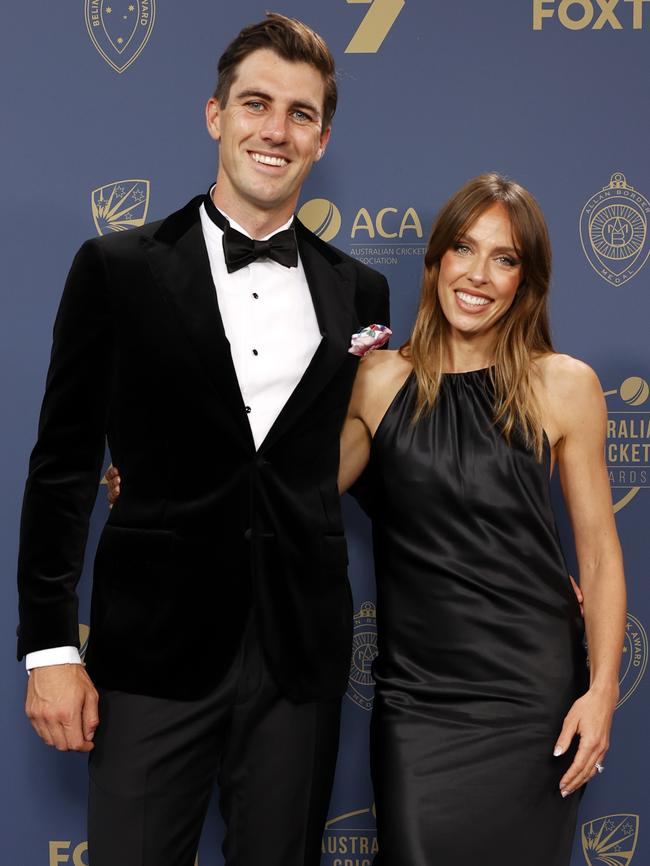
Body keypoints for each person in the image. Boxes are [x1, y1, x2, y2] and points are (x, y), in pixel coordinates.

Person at [16, 13, 389, 866]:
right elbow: (64, 469)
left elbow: (365, 459)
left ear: (322, 138)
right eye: (255, 104)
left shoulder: (358, 289)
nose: (275, 129)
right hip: (151, 654)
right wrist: (48, 648)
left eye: (300, 113)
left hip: (299, 661)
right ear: (215, 115)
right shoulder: (116, 267)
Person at [338, 173, 626, 865]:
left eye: (505, 259)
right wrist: (165, 482)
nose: (478, 275)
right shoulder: (379, 381)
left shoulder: (566, 384)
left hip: (531, 699)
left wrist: (602, 694)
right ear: (435, 260)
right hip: (419, 698)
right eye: (464, 249)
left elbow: (600, 558)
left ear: (526, 281)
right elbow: (289, 488)